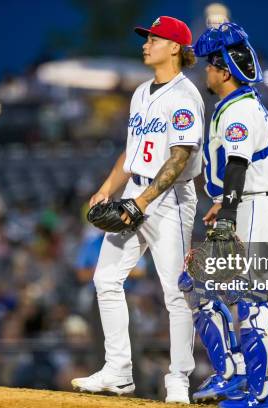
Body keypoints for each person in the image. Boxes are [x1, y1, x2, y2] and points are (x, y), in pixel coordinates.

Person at [71, 16, 204, 404]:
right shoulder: (142, 92)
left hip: (170, 200)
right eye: (147, 38)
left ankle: (178, 379)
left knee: (175, 293)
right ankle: (118, 371)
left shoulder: (185, 96)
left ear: (175, 47)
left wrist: (140, 203)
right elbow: (132, 152)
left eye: (154, 38)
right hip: (137, 189)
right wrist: (106, 189)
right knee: (105, 278)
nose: (146, 43)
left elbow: (180, 158)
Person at [179, 22, 268, 408]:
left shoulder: (240, 109)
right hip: (244, 204)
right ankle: (234, 373)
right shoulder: (235, 104)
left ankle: (265, 394)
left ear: (225, 70)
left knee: (251, 301)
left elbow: (238, 165)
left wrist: (227, 213)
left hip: (254, 207)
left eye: (210, 64)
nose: (206, 69)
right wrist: (225, 204)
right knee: (195, 284)